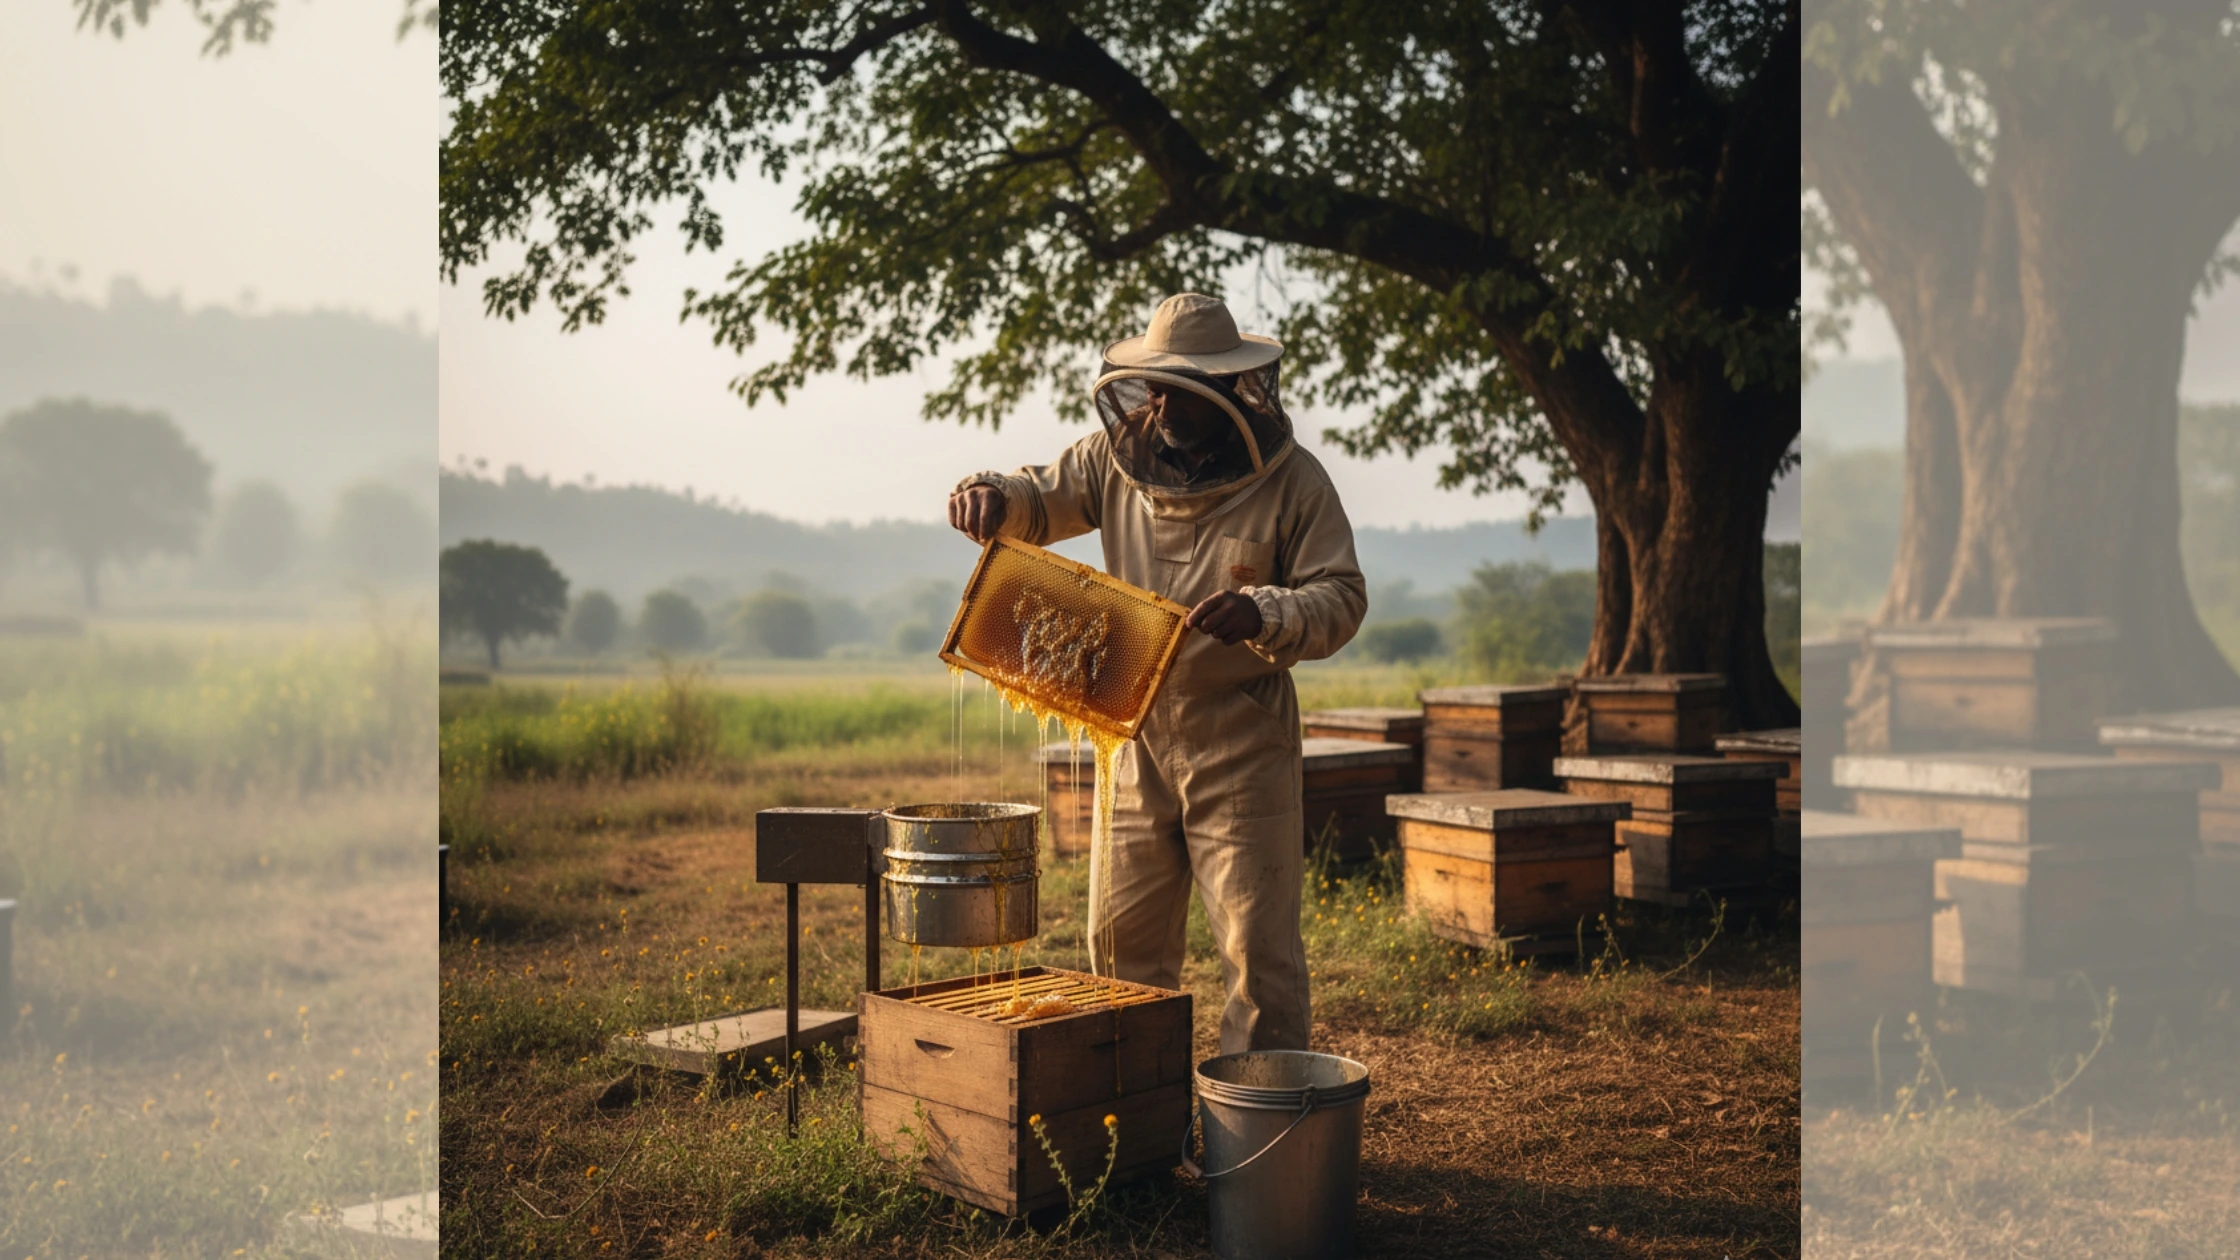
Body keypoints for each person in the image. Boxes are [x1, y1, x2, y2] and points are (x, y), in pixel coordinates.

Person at [947, 292, 1367, 1054]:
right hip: (1129, 734)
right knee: (1120, 947)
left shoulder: (1294, 483)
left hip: (1239, 737)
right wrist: (991, 494)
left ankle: (1258, 1146)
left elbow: (1340, 596)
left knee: (1258, 954)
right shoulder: (1113, 458)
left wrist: (1265, 612)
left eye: (1182, 389)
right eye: (1156, 384)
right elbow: (1035, 499)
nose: (1162, 401)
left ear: (1230, 390)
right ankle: (1136, 1130)